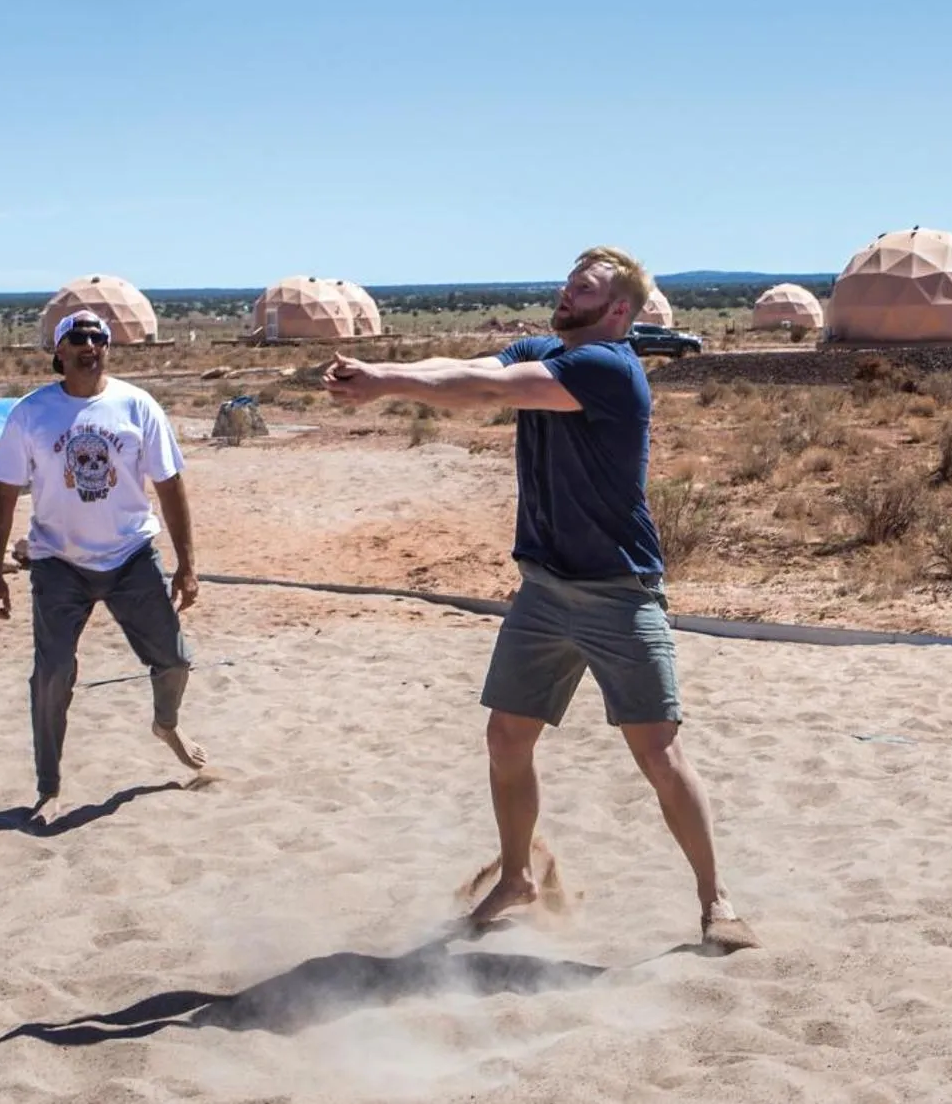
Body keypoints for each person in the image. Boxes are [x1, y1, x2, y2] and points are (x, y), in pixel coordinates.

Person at [323, 247, 756, 952]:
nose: (564, 293)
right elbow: (466, 372)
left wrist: (385, 381)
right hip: (545, 590)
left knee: (658, 752)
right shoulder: (545, 348)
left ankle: (717, 901)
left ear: (617, 310)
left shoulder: (608, 368)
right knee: (506, 737)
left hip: (619, 591)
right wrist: (390, 376)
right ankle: (518, 876)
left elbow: (491, 393)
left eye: (581, 288)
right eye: (566, 281)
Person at [0, 310, 208, 825]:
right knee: (53, 673)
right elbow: (1, 494)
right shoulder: (30, 413)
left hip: (131, 557)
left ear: (108, 348)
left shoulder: (137, 406)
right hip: (57, 562)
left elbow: (170, 485)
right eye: (78, 337)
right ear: (58, 351)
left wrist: (187, 565)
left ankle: (166, 724)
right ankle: (49, 786)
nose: (91, 344)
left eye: (99, 338)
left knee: (175, 661)